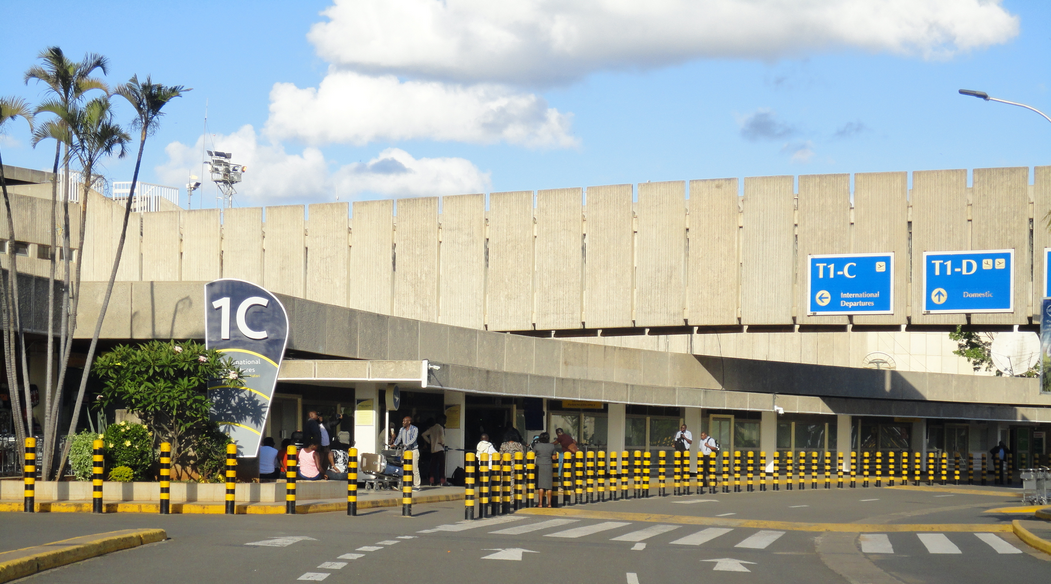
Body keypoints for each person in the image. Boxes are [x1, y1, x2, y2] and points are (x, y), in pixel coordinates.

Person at [391, 415, 421, 490]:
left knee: (414, 468)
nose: (403, 422)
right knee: (403, 468)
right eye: (403, 421)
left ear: (409, 422)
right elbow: (398, 438)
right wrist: (394, 444)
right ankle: (404, 484)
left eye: (404, 421)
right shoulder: (402, 429)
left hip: (413, 450)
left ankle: (417, 485)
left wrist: (406, 444)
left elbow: (414, 439)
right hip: (405, 451)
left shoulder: (415, 429)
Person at [421, 416, 448, 486]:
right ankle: (442, 480)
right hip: (440, 448)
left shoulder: (432, 428)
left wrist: (430, 442)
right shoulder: (440, 428)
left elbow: (423, 434)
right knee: (441, 466)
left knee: (433, 466)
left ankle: (432, 480)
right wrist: (443, 443)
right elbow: (442, 437)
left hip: (433, 449)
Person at [533, 432, 557, 507]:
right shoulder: (552, 446)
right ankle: (549, 503)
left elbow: (532, 454)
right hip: (548, 465)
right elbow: (554, 457)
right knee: (549, 486)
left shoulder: (537, 446)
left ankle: (540, 503)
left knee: (541, 486)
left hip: (539, 466)